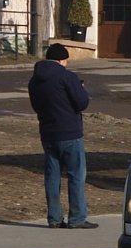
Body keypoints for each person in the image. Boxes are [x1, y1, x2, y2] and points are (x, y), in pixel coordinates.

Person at [28, 43, 96, 229]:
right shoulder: (67, 77)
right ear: (61, 60)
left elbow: (36, 105)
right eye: (66, 60)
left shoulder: (35, 79)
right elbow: (81, 103)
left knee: (52, 176)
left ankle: (55, 218)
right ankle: (77, 218)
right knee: (76, 175)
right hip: (69, 132)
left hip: (48, 132)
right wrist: (80, 88)